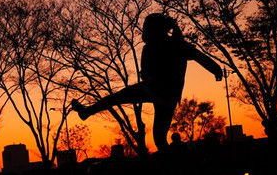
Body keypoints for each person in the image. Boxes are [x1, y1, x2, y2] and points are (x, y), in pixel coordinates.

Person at [71, 13, 224, 153]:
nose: (146, 32)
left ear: (157, 30)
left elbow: (199, 56)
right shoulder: (150, 48)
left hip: (165, 95)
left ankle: (172, 172)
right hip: (154, 90)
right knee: (118, 98)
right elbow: (145, 71)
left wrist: (216, 70)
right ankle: (87, 112)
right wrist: (148, 77)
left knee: (158, 136)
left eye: (149, 29)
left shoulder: (177, 45)